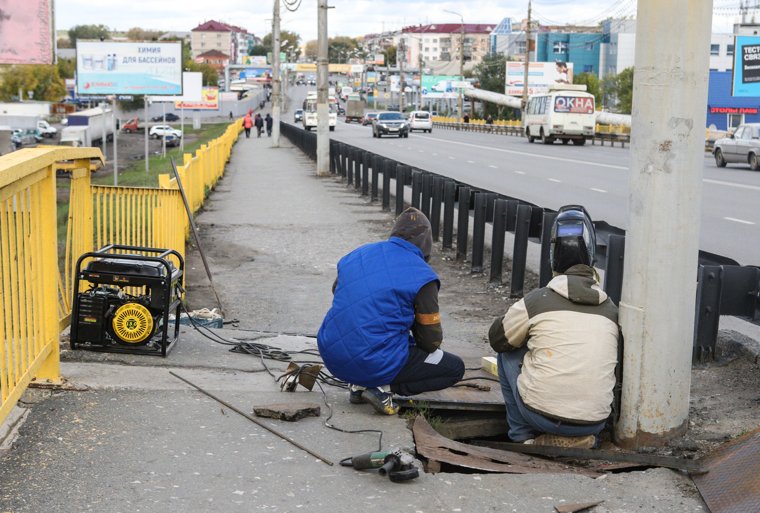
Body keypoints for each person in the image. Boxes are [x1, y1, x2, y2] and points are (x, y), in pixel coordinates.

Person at [488, 205, 619, 449]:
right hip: (595, 421)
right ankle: (585, 438)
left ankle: (522, 437)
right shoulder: (611, 310)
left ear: (552, 255)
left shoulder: (537, 301)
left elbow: (498, 339)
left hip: (540, 415)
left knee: (507, 354)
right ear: (591, 256)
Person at [318, 207, 465, 415]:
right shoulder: (422, 275)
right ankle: (380, 388)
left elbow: (338, 292)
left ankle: (358, 386)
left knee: (386, 339)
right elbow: (430, 341)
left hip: (331, 355)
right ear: (426, 241)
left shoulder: (358, 254)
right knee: (454, 367)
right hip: (373, 361)